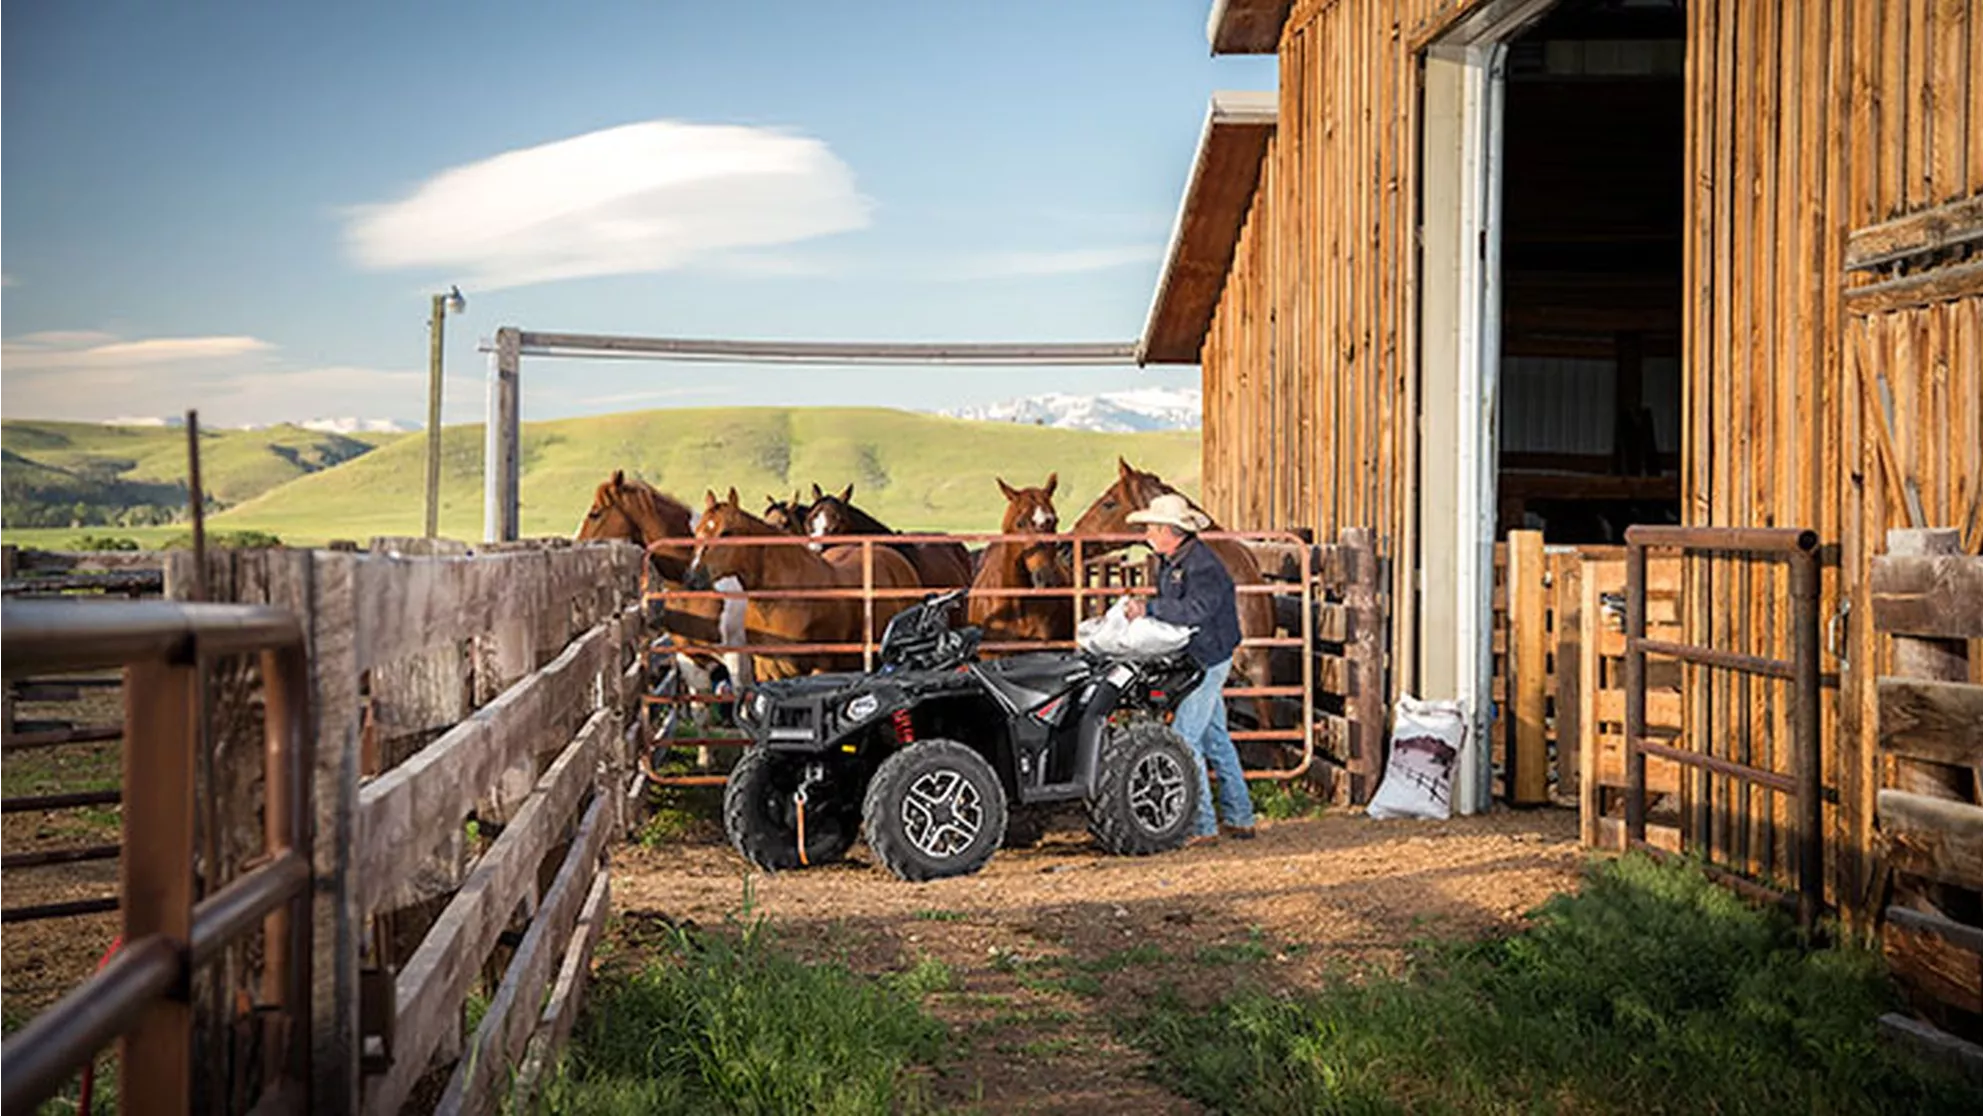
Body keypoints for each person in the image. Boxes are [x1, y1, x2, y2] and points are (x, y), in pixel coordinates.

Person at [1122, 493, 1257, 845]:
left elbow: (1196, 610)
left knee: (1185, 737)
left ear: (1170, 530)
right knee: (1215, 737)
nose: (1147, 533)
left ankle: (1202, 824)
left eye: (1152, 527)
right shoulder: (1181, 561)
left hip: (1207, 657)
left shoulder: (1200, 567)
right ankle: (1239, 816)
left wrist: (1150, 610)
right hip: (1206, 654)